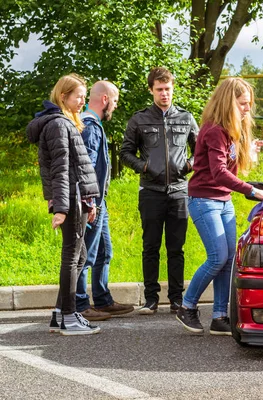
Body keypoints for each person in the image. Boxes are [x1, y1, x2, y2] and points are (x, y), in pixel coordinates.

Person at [176, 77, 263, 335]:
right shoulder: (214, 130)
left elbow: (232, 165)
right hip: (204, 200)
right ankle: (186, 306)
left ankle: (220, 315)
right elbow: (219, 172)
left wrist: (250, 148)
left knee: (229, 259)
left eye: (249, 104)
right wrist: (252, 191)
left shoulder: (233, 131)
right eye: (243, 103)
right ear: (229, 102)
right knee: (217, 257)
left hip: (224, 201)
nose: (247, 108)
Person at [26, 73, 101, 335]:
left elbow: (75, 167)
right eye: (78, 96)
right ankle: (69, 317)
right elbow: (59, 169)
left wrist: (89, 201)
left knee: (78, 255)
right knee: (72, 255)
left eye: (83, 96)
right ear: (63, 96)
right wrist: (60, 207)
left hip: (77, 197)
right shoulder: (59, 124)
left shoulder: (65, 122)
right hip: (70, 199)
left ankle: (61, 314)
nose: (82, 101)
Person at [120, 67, 198, 315]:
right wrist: (143, 166)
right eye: (159, 89)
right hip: (150, 191)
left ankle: (177, 299)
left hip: (178, 191)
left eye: (168, 89)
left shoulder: (186, 118)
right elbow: (125, 153)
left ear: (173, 88)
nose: (164, 93)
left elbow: (201, 151)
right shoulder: (139, 119)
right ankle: (151, 299)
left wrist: (189, 165)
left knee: (176, 248)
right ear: (151, 90)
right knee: (150, 246)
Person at [75, 81, 134, 321]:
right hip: (93, 202)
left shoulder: (93, 125)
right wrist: (90, 202)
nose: (116, 106)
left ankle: (102, 300)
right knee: (86, 254)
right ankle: (80, 304)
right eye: (116, 100)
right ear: (105, 100)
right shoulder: (89, 127)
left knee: (104, 251)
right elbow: (85, 167)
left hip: (100, 202)